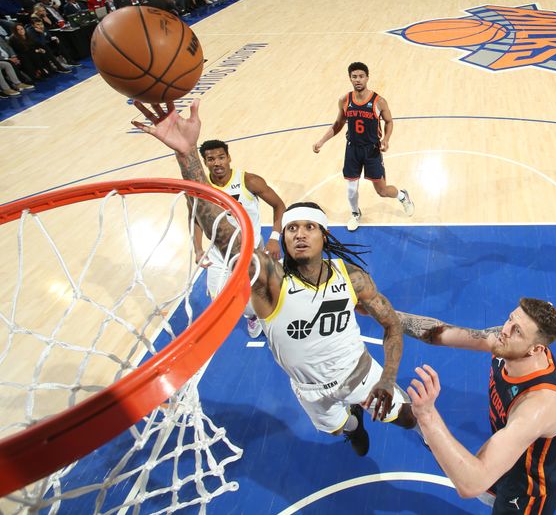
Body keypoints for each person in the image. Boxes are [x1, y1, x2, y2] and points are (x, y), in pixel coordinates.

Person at [133, 99, 417, 457]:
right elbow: (221, 232)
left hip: (362, 376)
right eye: (292, 228)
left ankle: (403, 426)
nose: (299, 233)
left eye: (309, 227)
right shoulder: (269, 282)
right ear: (282, 239)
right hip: (311, 390)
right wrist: (187, 156)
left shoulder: (353, 278)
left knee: (407, 416)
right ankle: (352, 425)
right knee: (342, 430)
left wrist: (389, 379)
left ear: (323, 236)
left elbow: (392, 325)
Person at [399, 298, 556, 515]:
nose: (505, 330)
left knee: (473, 479)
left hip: (526, 491)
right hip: (506, 454)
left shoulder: (539, 405)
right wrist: (384, 314)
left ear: (535, 349)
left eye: (517, 330)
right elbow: (440, 332)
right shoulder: (508, 343)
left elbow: (471, 485)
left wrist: (426, 415)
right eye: (510, 318)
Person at [192, 138, 286, 338]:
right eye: (211, 159)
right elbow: (196, 219)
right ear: (205, 162)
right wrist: (198, 248)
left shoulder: (248, 181)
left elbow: (279, 205)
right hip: (219, 251)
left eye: (221, 157)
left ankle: (268, 297)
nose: (217, 163)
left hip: (251, 248)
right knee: (219, 300)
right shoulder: (201, 188)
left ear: (229, 158)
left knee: (258, 290)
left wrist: (275, 238)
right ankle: (252, 315)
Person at [312, 62, 414, 232]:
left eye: (361, 76)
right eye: (354, 77)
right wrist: (321, 141)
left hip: (372, 150)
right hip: (352, 149)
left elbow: (389, 122)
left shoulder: (379, 101)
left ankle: (402, 196)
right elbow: (338, 124)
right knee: (351, 189)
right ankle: (355, 213)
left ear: (367, 78)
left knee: (382, 191)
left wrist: (386, 140)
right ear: (349, 78)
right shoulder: (345, 100)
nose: (358, 80)